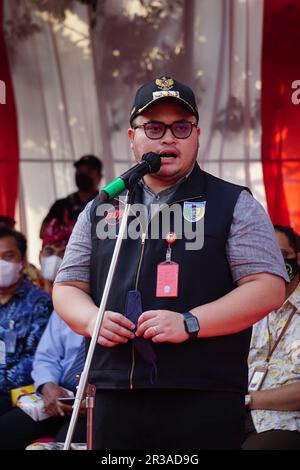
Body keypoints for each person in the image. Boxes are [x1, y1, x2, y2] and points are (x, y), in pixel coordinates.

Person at [53, 75, 288, 450]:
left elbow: (268, 286)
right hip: (116, 387)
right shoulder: (103, 207)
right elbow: (68, 286)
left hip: (202, 391)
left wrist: (190, 322)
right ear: (133, 138)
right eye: (154, 127)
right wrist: (91, 319)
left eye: (181, 127)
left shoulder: (233, 203)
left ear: (197, 136)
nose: (167, 138)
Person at [243, 225, 300, 450]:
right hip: (231, 417)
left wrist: (249, 399)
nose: (272, 260)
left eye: (280, 253)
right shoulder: (246, 306)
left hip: (284, 424)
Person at [0, 311, 86, 449]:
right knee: (5, 430)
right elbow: (46, 357)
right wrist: (47, 385)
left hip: (99, 403)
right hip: (59, 394)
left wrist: (100, 403)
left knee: (65, 444)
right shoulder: (66, 302)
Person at [0, 228, 52, 415]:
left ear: (22, 261)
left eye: (8, 256)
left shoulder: (39, 303)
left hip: (18, 394)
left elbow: (36, 359)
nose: (1, 263)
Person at [40, 154, 103, 238]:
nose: (83, 175)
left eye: (88, 172)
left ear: (99, 177)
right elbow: (43, 232)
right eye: (79, 171)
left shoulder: (105, 204)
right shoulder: (61, 204)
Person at [39, 218, 74, 295]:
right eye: (49, 251)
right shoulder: (28, 290)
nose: (55, 258)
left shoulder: (75, 293)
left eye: (62, 253)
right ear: (40, 256)